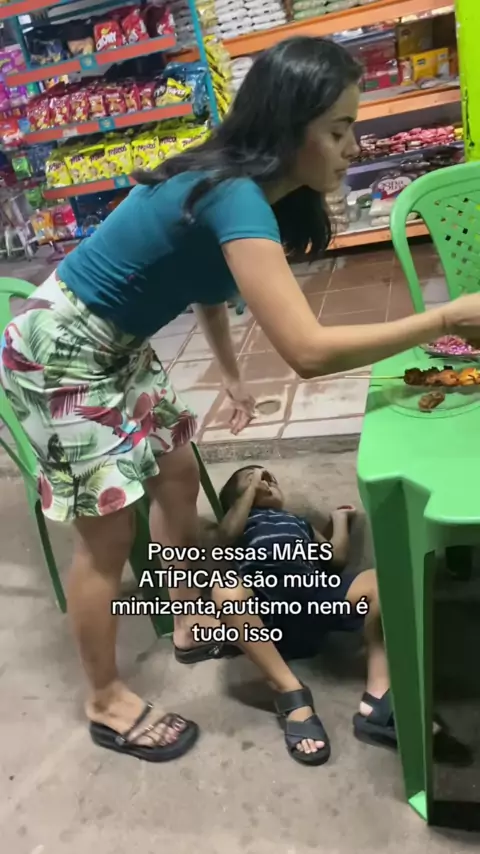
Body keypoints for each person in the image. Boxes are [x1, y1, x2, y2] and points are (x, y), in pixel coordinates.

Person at [2, 36, 480, 763]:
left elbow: (201, 279)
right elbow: (308, 352)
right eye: (338, 131)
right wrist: (444, 317)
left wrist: (230, 375)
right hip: (60, 352)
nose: (353, 148)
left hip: (117, 345)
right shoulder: (234, 194)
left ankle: (188, 613)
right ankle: (104, 698)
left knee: (178, 477)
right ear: (289, 128)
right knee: (105, 540)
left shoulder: (250, 193)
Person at [212, 465, 388, 765]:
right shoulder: (240, 523)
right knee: (226, 590)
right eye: (253, 479)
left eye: (271, 478)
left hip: (315, 598)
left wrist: (339, 521)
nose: (266, 481)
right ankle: (292, 696)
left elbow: (335, 559)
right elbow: (224, 538)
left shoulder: (298, 522)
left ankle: (378, 695)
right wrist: (250, 492)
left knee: (381, 581)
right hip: (268, 611)